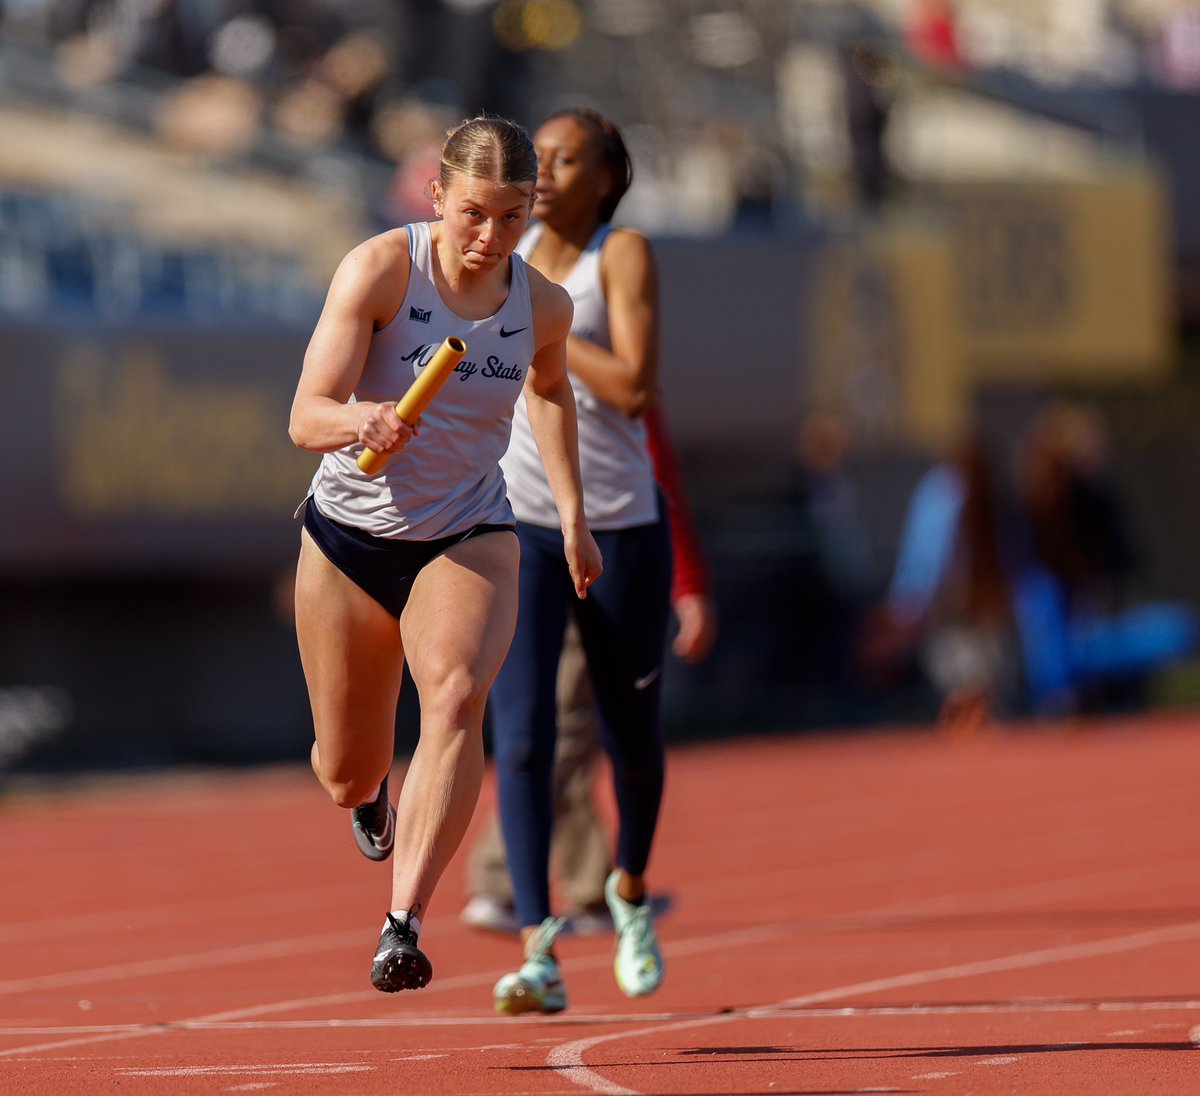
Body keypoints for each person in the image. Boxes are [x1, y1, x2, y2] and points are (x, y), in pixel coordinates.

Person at [287, 114, 603, 995]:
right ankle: (370, 796)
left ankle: (404, 922)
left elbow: (548, 392)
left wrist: (572, 516)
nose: (489, 236)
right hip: (349, 538)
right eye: (472, 213)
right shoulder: (384, 268)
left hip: (467, 533)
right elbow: (304, 414)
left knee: (459, 694)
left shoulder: (542, 303)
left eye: (511, 216)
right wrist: (362, 419)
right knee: (343, 765)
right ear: (437, 198)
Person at [486, 106, 673, 1015]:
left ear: (605, 178)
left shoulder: (620, 254)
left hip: (623, 525)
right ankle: (537, 947)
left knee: (630, 739)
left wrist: (548, 329)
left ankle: (629, 889)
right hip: (518, 523)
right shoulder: (500, 261)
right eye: (539, 159)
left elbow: (636, 388)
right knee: (518, 738)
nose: (548, 172)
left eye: (568, 160)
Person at [461, 402, 718, 936]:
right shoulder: (510, 328)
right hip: (528, 537)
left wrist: (687, 578)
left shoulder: (593, 326)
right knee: (545, 729)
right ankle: (515, 884)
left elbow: (647, 434)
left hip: (609, 546)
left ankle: (589, 882)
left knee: (588, 730)